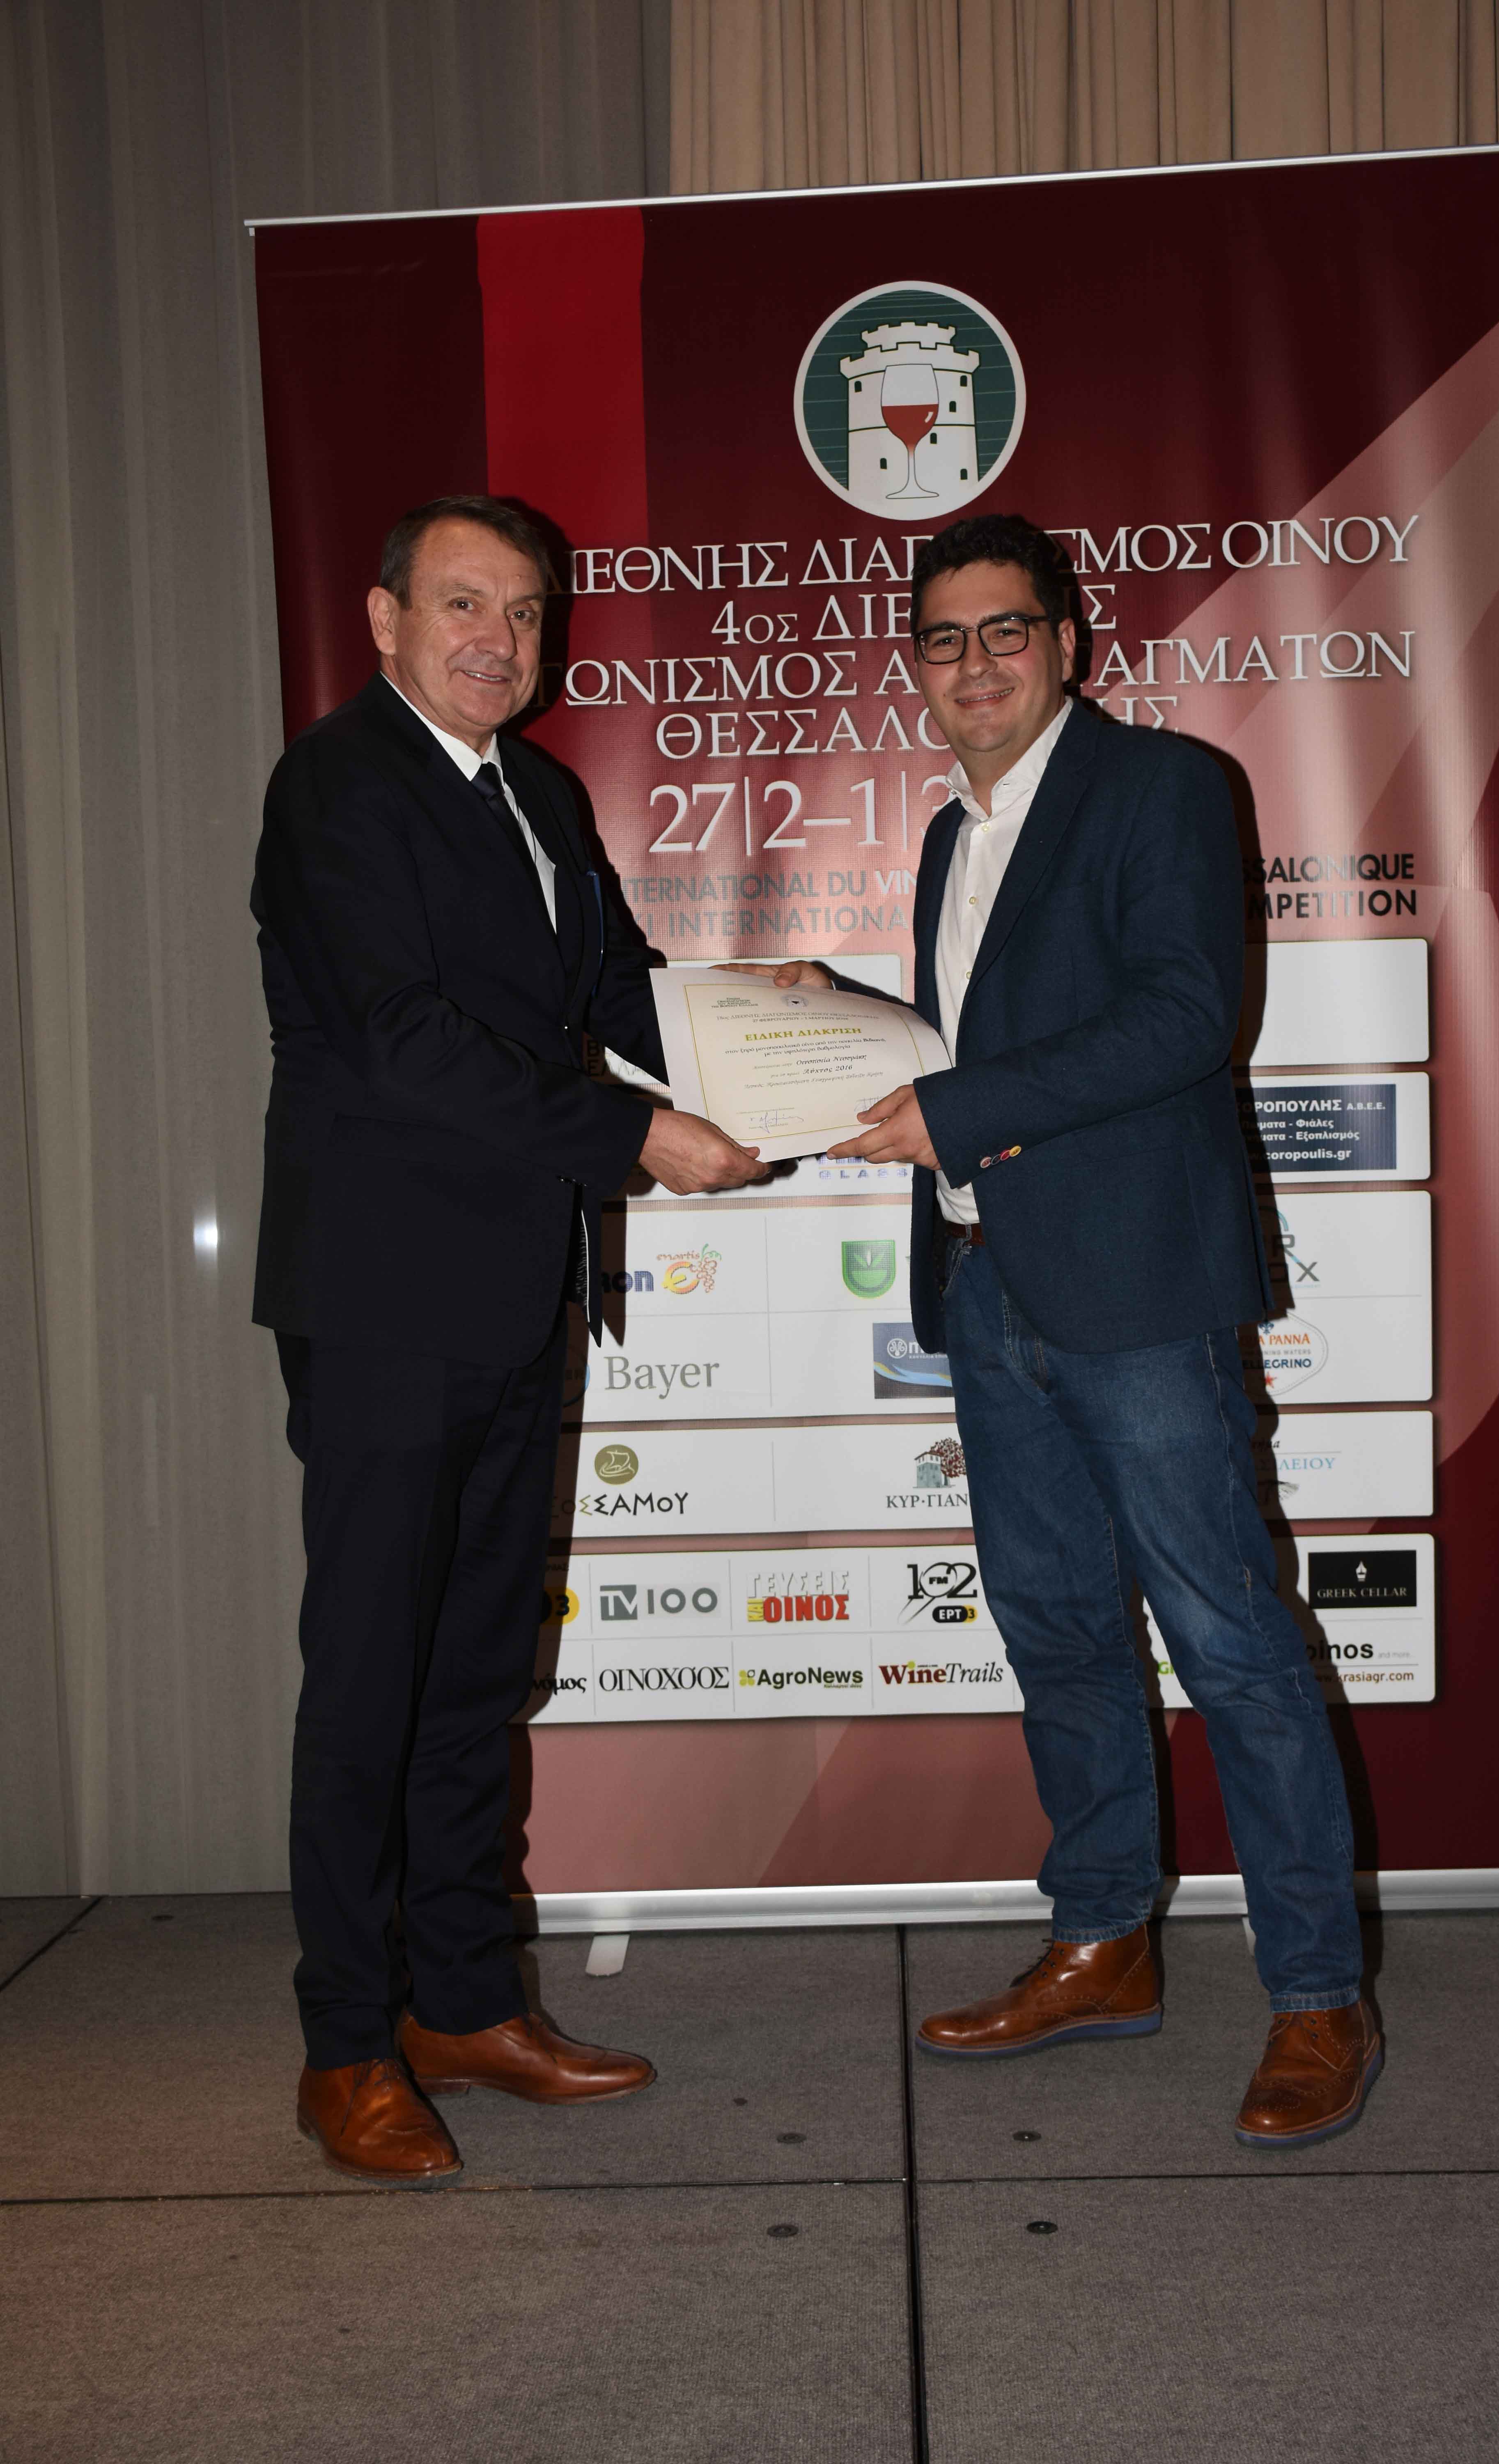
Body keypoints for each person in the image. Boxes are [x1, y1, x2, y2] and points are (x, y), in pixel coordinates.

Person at [813, 511, 1379, 2148]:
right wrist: (838, 1032)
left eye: (1007, 630)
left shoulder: (1162, 787)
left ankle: (1317, 1995)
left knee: (1231, 1643)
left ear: (1067, 642)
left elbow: (1187, 1016)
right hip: (990, 1287)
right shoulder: (950, 835)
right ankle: (1102, 1941)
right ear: (917, 667)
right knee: (1056, 1630)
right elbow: (987, 1042)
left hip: (1137, 1294)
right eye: (944, 639)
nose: (975, 663)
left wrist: (954, 1104)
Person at [252, 494, 764, 2183]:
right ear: (385, 617)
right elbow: (404, 1038)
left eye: (526, 612)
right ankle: (347, 2043)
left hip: (517, 1289)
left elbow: (615, 991)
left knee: (476, 1668)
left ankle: (463, 2002)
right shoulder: (337, 785)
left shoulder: (540, 795)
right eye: (464, 604)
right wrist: (634, 1137)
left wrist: (791, 1038)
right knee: (373, 1677)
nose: (500, 639)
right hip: (385, 1299)